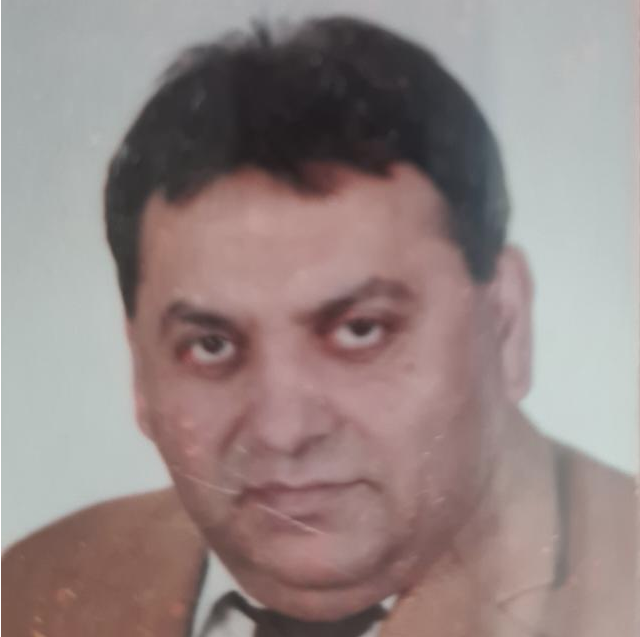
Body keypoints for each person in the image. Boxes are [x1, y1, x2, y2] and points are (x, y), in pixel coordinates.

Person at [3, 15, 635, 637]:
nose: (283, 431)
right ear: (140, 372)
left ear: (505, 325)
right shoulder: (32, 587)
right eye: (211, 345)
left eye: (361, 330)